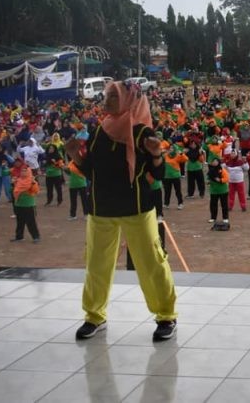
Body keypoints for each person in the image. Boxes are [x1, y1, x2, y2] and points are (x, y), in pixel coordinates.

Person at [64, 81, 178, 343]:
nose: (106, 100)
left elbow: (158, 174)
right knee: (96, 264)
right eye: (107, 95)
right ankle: (94, 316)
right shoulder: (99, 132)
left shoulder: (141, 133)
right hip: (101, 209)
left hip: (136, 208)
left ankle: (166, 316)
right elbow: (90, 170)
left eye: (113, 96)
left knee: (151, 264)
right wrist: (74, 155)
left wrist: (157, 154)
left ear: (130, 99)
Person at [10, 158, 41, 243]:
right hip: (19, 204)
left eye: (25, 171)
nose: (23, 172)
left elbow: (36, 191)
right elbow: (14, 191)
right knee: (20, 222)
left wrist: (33, 183)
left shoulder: (31, 181)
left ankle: (36, 236)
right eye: (22, 171)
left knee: (31, 222)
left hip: (28, 205)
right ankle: (19, 236)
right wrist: (13, 183)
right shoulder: (18, 180)